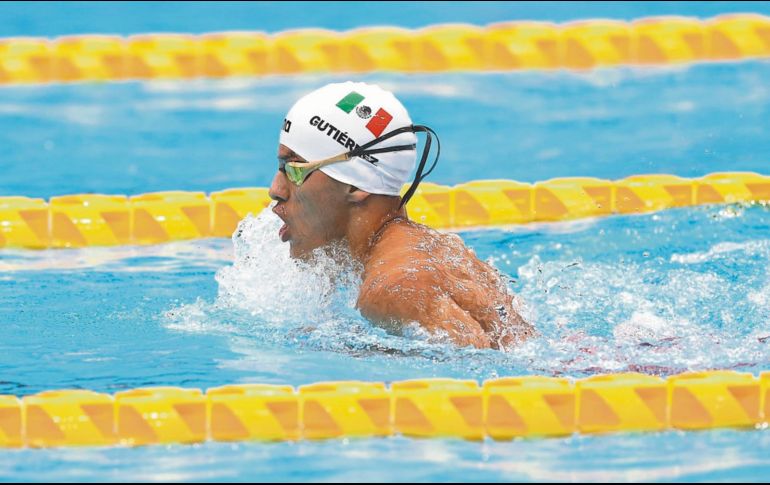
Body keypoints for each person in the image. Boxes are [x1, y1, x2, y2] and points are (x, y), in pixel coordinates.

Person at [269, 81, 534, 349]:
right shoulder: (430, 251)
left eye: (294, 170)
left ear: (355, 184)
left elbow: (481, 374)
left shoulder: (393, 288)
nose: (275, 190)